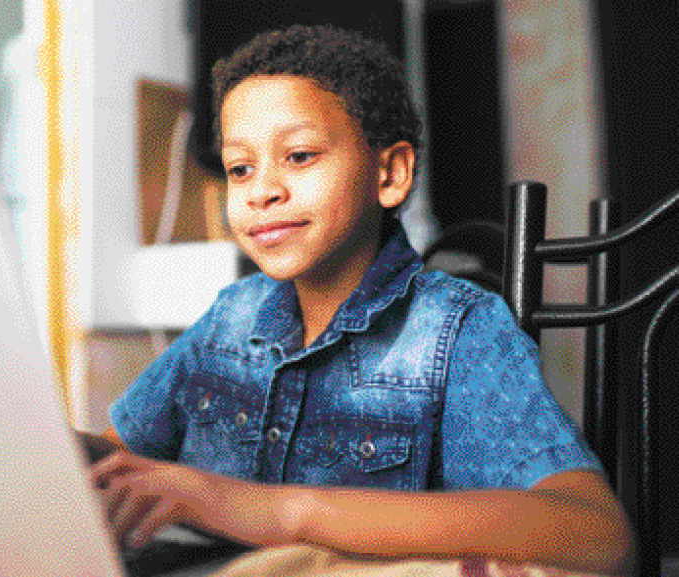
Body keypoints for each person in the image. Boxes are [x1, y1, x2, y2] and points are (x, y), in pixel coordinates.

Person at [88, 24, 632, 574]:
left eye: (298, 156)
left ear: (390, 173)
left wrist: (274, 511)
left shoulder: (454, 329)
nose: (261, 191)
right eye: (240, 168)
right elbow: (118, 458)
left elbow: (598, 535)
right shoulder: (230, 318)